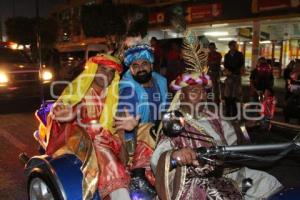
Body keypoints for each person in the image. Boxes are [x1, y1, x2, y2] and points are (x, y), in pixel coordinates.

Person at [151, 72, 282, 200]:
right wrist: (175, 155)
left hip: (228, 172)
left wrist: (244, 127)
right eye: (194, 92)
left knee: (268, 183)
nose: (202, 97)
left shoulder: (211, 116)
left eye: (204, 92)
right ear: (181, 96)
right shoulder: (174, 122)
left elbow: (232, 136)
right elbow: (159, 157)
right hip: (197, 181)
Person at [45, 54, 131, 200]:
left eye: (111, 72)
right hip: (80, 139)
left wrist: (123, 140)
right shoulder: (81, 91)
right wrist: (63, 112)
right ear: (94, 70)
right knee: (102, 148)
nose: (107, 75)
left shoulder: (113, 95)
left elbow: (118, 123)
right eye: (103, 69)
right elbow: (66, 107)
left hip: (106, 139)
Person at [113, 44, 168, 197]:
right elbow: (122, 126)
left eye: (144, 64)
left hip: (161, 134)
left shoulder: (161, 82)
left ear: (151, 65)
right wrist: (126, 153)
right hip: (138, 140)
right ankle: (139, 177)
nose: (140, 69)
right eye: (135, 66)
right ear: (130, 69)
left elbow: (167, 110)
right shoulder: (128, 90)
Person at [224, 40, 244, 118]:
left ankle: (235, 113)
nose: (235, 47)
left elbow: (240, 64)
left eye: (235, 45)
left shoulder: (239, 54)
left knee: (235, 94)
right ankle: (228, 112)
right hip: (229, 76)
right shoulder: (227, 55)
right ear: (230, 46)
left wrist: (233, 71)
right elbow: (226, 64)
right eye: (233, 45)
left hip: (236, 76)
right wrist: (228, 71)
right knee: (227, 94)